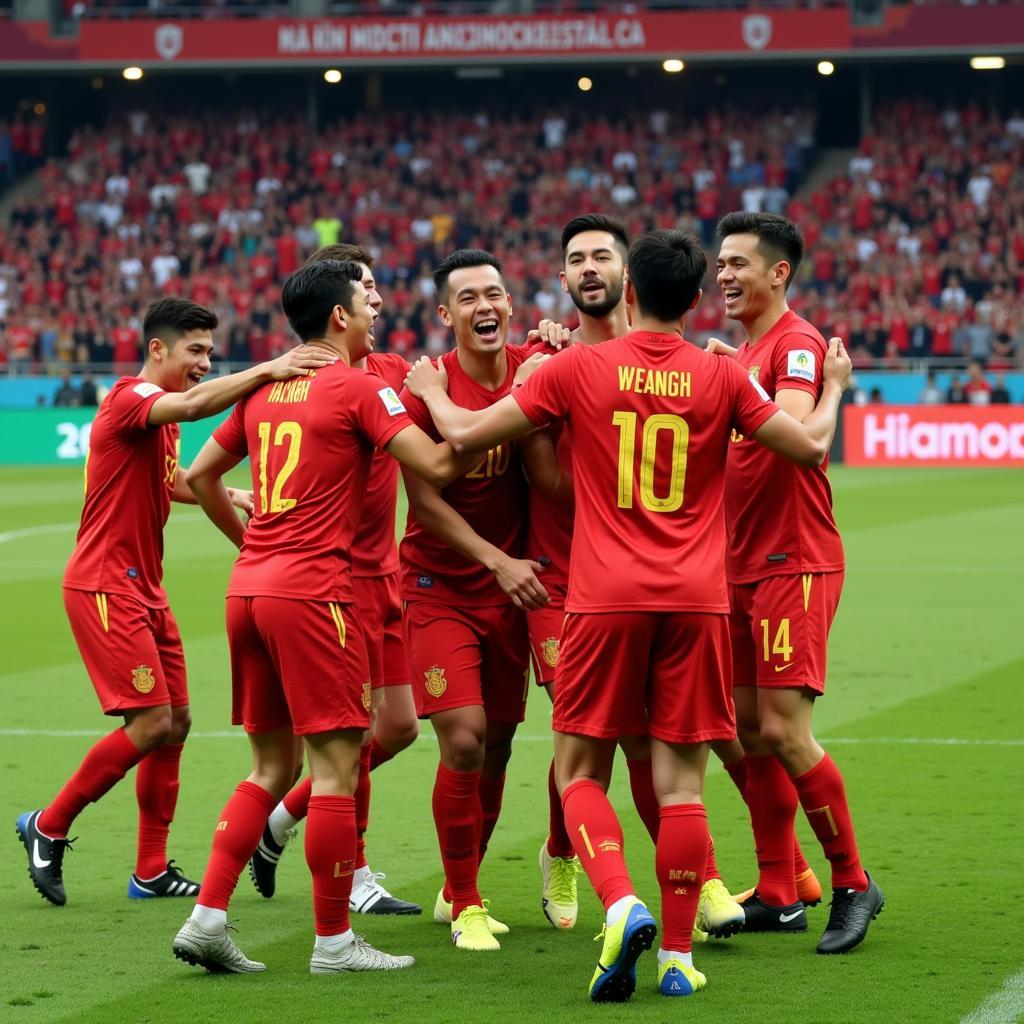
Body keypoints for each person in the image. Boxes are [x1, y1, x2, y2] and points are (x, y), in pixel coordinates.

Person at [403, 228, 851, 1000]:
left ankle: (621, 899)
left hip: (605, 599)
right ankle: (678, 955)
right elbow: (808, 447)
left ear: (630, 292)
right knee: (682, 784)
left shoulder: (576, 366)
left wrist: (434, 390)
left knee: (579, 769)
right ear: (695, 298)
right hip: (701, 603)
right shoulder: (721, 374)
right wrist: (837, 385)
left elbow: (469, 434)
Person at [174, 260, 471, 975]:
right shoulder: (357, 388)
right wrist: (468, 411)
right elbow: (434, 466)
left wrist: (253, 547)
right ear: (340, 317)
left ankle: (207, 918)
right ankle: (335, 941)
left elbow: (196, 478)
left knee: (270, 765)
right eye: (363, 306)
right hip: (316, 596)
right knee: (337, 768)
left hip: (249, 591)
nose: (374, 313)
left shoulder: (267, 389)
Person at [16, 298, 334, 907]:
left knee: (177, 723)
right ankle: (48, 825)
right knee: (152, 723)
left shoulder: (153, 422)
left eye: (211, 353)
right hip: (105, 584)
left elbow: (172, 480)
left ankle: (151, 870)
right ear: (157, 349)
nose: (205, 363)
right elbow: (191, 406)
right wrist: (271, 368)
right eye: (196, 351)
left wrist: (232, 490)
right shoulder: (127, 398)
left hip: (144, 586)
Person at [523, 214, 745, 943]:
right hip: (562, 581)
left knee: (635, 748)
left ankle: (684, 882)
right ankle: (568, 860)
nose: (588, 267)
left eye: (601, 257)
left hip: (610, 583)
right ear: (562, 279)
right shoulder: (549, 357)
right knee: (593, 748)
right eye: (575, 257)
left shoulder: (581, 366)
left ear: (629, 279)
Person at [713, 211, 883, 954]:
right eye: (719, 263)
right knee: (749, 733)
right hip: (739, 564)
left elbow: (802, 440)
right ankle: (780, 890)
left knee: (784, 729)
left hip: (793, 560)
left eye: (738, 264)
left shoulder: (797, 345)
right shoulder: (749, 350)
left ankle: (852, 882)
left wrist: (834, 391)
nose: (722, 274)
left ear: (778, 273)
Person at [249, 244, 420, 917]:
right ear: (339, 309)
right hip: (334, 582)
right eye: (366, 289)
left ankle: (282, 822)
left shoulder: (392, 371)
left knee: (398, 728)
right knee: (353, 732)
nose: (376, 299)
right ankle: (355, 875)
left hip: (387, 575)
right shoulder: (319, 383)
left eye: (378, 286)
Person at [398, 249, 542, 952]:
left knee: (500, 744)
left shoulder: (536, 369)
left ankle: (461, 881)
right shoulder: (424, 388)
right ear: (445, 314)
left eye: (495, 294)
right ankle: (467, 902)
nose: (484, 306)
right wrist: (495, 559)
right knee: (463, 739)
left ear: (510, 304)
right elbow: (422, 502)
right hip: (438, 587)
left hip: (511, 592)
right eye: (468, 298)